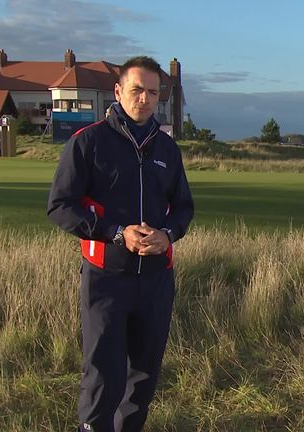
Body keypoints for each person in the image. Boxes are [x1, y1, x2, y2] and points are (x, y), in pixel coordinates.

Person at [47, 56, 194, 432]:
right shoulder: (89, 142)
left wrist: (168, 235)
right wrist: (116, 232)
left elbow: (183, 208)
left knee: (143, 378)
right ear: (118, 91)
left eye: (152, 92)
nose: (144, 99)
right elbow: (61, 207)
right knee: (104, 375)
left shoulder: (166, 149)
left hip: (157, 281)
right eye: (136, 90)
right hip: (106, 278)